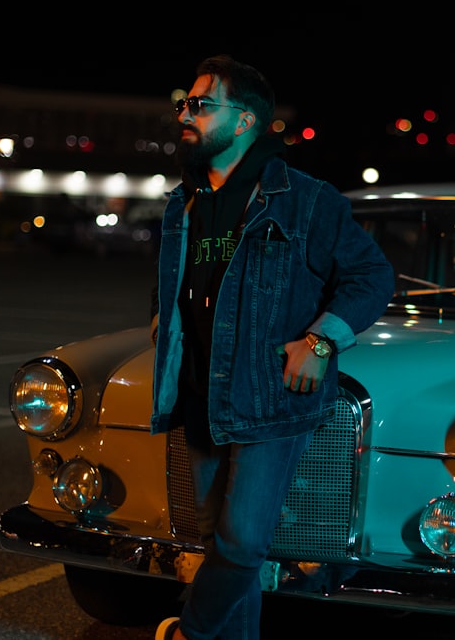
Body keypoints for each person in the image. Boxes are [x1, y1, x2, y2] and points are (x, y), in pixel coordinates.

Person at [149, 55, 395, 640]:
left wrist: (320, 339)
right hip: (197, 396)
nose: (186, 114)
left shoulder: (304, 200)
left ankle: (189, 634)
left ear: (245, 122)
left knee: (242, 543)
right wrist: (165, 324)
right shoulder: (181, 205)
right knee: (217, 544)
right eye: (184, 103)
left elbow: (372, 277)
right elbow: (178, 289)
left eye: (202, 105)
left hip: (270, 399)